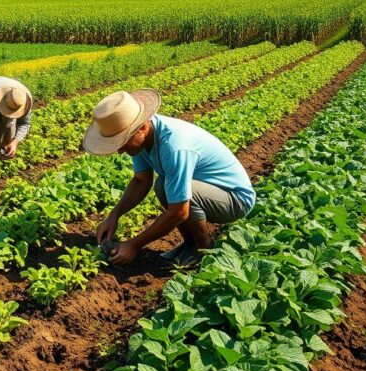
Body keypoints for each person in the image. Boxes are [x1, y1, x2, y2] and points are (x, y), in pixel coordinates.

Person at [83, 89, 255, 266]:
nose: (119, 150)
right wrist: (114, 216)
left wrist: (134, 245)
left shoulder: (174, 147)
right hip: (210, 191)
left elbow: (180, 211)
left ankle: (205, 249)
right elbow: (141, 181)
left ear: (141, 128)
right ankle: (190, 243)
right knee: (163, 185)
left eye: (122, 142)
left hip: (234, 198)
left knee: (175, 191)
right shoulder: (142, 139)